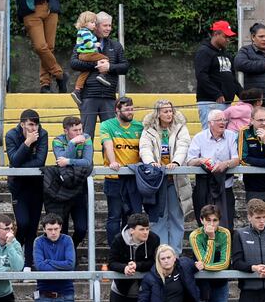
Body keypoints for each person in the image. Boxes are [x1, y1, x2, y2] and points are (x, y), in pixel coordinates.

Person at [140, 100, 191, 252]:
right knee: (159, 219)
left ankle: (175, 254)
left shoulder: (181, 127)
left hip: (176, 180)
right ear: (158, 113)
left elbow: (183, 146)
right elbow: (144, 148)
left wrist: (176, 162)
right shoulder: (148, 130)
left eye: (171, 111)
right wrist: (151, 163)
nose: (169, 114)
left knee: (176, 218)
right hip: (158, 180)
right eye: (165, 111)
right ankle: (161, 253)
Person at [70, 11, 129, 141]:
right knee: (86, 136)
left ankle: (110, 162)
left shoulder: (116, 45)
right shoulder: (85, 41)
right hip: (88, 96)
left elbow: (125, 67)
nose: (108, 28)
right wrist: (95, 64)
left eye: (110, 25)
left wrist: (110, 67)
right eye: (105, 25)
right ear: (96, 26)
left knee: (109, 137)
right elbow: (73, 63)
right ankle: (86, 162)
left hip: (109, 97)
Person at [107, 213, 160, 302]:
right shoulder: (119, 240)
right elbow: (111, 262)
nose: (146, 232)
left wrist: (137, 266)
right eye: (142, 229)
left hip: (143, 295)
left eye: (147, 229)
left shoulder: (154, 239)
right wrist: (124, 268)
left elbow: (155, 262)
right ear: (132, 230)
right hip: (120, 294)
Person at [5, 109, 47, 269]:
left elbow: (40, 161)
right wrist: (27, 143)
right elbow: (14, 161)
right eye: (30, 124)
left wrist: (20, 165)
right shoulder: (11, 135)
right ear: (22, 124)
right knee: (23, 223)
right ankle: (16, 249)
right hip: (18, 186)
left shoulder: (42, 133)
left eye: (36, 124)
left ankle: (28, 263)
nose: (34, 128)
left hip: (37, 186)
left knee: (32, 226)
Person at [186, 109, 240, 229]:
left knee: (226, 226)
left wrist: (225, 164)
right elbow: (190, 160)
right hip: (204, 187)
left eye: (224, 120)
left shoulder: (231, 135)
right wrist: (202, 160)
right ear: (210, 123)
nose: (222, 122)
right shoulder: (199, 137)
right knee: (204, 226)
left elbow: (236, 159)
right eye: (218, 120)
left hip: (225, 187)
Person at [101, 97, 144, 243]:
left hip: (133, 179)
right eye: (126, 109)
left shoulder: (140, 127)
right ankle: (115, 250)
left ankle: (131, 249)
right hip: (114, 179)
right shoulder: (107, 125)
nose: (130, 112)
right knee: (114, 216)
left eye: (132, 109)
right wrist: (113, 162)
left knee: (133, 217)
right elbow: (108, 145)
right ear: (117, 110)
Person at [189, 205, 231, 302]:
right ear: (201, 220)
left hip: (220, 286)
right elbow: (204, 261)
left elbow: (225, 263)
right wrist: (211, 239)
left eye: (215, 220)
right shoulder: (195, 235)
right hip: (199, 286)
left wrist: (207, 266)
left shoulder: (225, 233)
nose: (212, 224)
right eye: (208, 220)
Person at [33, 213, 76, 302]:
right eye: (50, 229)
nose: (53, 232)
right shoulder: (38, 242)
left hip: (65, 295)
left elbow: (70, 264)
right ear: (44, 229)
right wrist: (54, 264)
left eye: (56, 229)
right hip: (43, 295)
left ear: (61, 228)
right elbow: (39, 266)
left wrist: (49, 261)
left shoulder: (67, 240)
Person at [48, 116, 92, 249]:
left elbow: (87, 162)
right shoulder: (58, 141)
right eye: (75, 130)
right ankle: (65, 255)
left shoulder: (87, 138)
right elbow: (60, 162)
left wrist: (69, 162)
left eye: (80, 129)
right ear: (66, 131)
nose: (79, 134)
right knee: (63, 228)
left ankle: (71, 248)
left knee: (81, 228)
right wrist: (72, 143)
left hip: (80, 187)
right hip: (63, 188)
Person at [194, 20, 241, 128]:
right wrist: (217, 94)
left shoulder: (226, 54)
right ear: (216, 34)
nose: (228, 40)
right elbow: (201, 76)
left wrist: (244, 96)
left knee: (224, 136)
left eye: (229, 37)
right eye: (225, 37)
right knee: (210, 135)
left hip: (225, 102)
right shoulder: (204, 51)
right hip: (210, 102)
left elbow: (232, 78)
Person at [70, 11, 111, 105]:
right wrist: (95, 45)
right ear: (85, 23)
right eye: (92, 23)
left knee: (85, 72)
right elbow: (88, 44)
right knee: (105, 59)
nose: (94, 25)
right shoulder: (85, 32)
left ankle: (77, 90)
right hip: (87, 54)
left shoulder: (83, 31)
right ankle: (102, 75)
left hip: (84, 55)